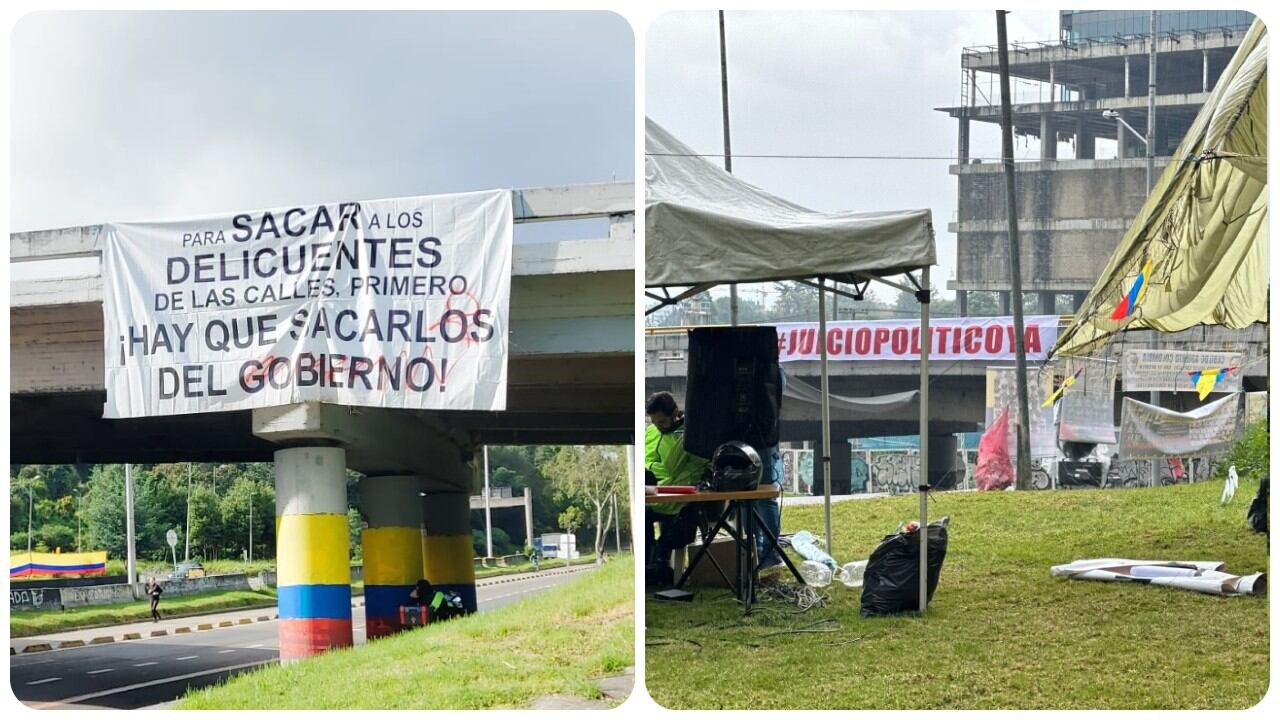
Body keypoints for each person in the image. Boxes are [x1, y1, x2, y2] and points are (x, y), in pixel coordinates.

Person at [644, 391, 709, 584]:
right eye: (654, 423)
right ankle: (648, 566)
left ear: (675, 413)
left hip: (682, 499)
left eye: (662, 422)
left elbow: (676, 468)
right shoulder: (651, 432)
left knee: (680, 526)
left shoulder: (690, 436)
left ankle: (660, 561)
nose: (658, 427)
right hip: (656, 495)